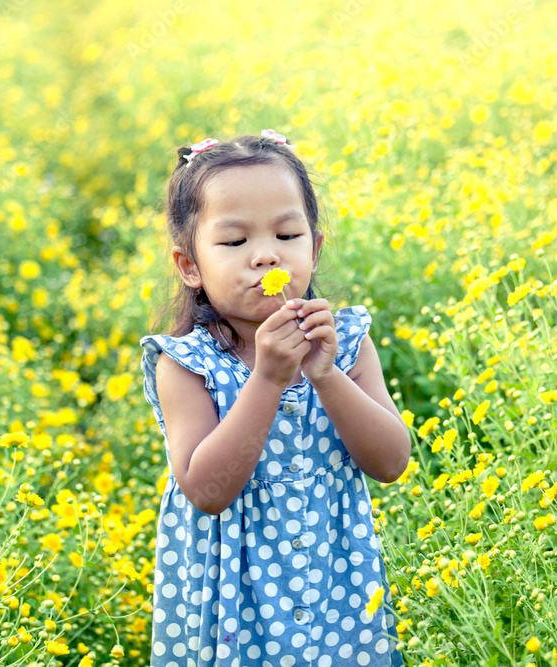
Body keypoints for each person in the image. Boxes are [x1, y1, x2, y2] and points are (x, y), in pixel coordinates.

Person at [139, 129, 411, 666]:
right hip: (231, 604)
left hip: (337, 589)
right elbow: (206, 490)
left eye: (288, 235)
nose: (266, 256)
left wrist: (327, 376)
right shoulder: (185, 364)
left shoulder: (347, 342)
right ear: (189, 265)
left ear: (315, 247)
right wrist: (266, 380)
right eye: (235, 243)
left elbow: (390, 461)